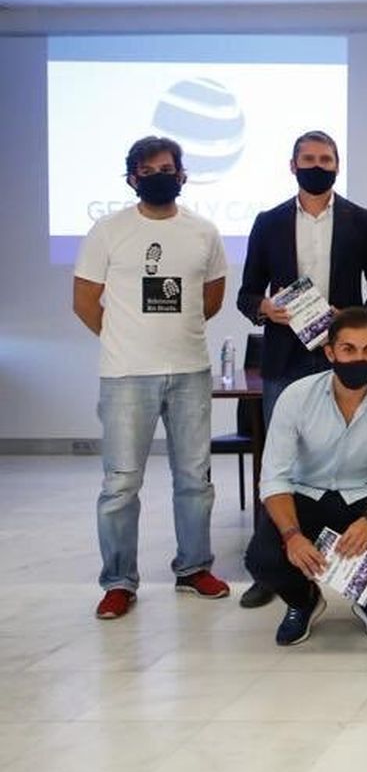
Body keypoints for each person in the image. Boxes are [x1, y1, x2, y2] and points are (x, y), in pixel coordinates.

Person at [71, 135, 231, 619]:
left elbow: (213, 297)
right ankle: (119, 581)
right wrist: (126, 337)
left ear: (182, 175)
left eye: (168, 167)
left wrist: (168, 334)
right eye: (148, 169)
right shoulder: (107, 230)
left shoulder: (203, 232)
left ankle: (193, 568)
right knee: (120, 484)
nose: (159, 175)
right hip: (126, 376)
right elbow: (84, 301)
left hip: (189, 371)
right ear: (132, 178)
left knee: (195, 479)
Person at [235, 129, 367, 609]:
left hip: (344, 355)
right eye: (309, 158)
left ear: (337, 165)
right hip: (286, 355)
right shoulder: (268, 222)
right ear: (292, 165)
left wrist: (354, 324)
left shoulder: (361, 221)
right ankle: (277, 564)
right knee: (281, 458)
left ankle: (349, 549)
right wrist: (266, 308)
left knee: (349, 452)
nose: (317, 165)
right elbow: (246, 294)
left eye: (326, 158)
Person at [244, 308, 367, 645]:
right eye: (349, 349)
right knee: (263, 558)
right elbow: (274, 476)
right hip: (305, 494)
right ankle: (304, 601)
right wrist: (292, 535)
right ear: (330, 352)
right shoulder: (296, 397)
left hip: (363, 495)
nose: (360, 358)